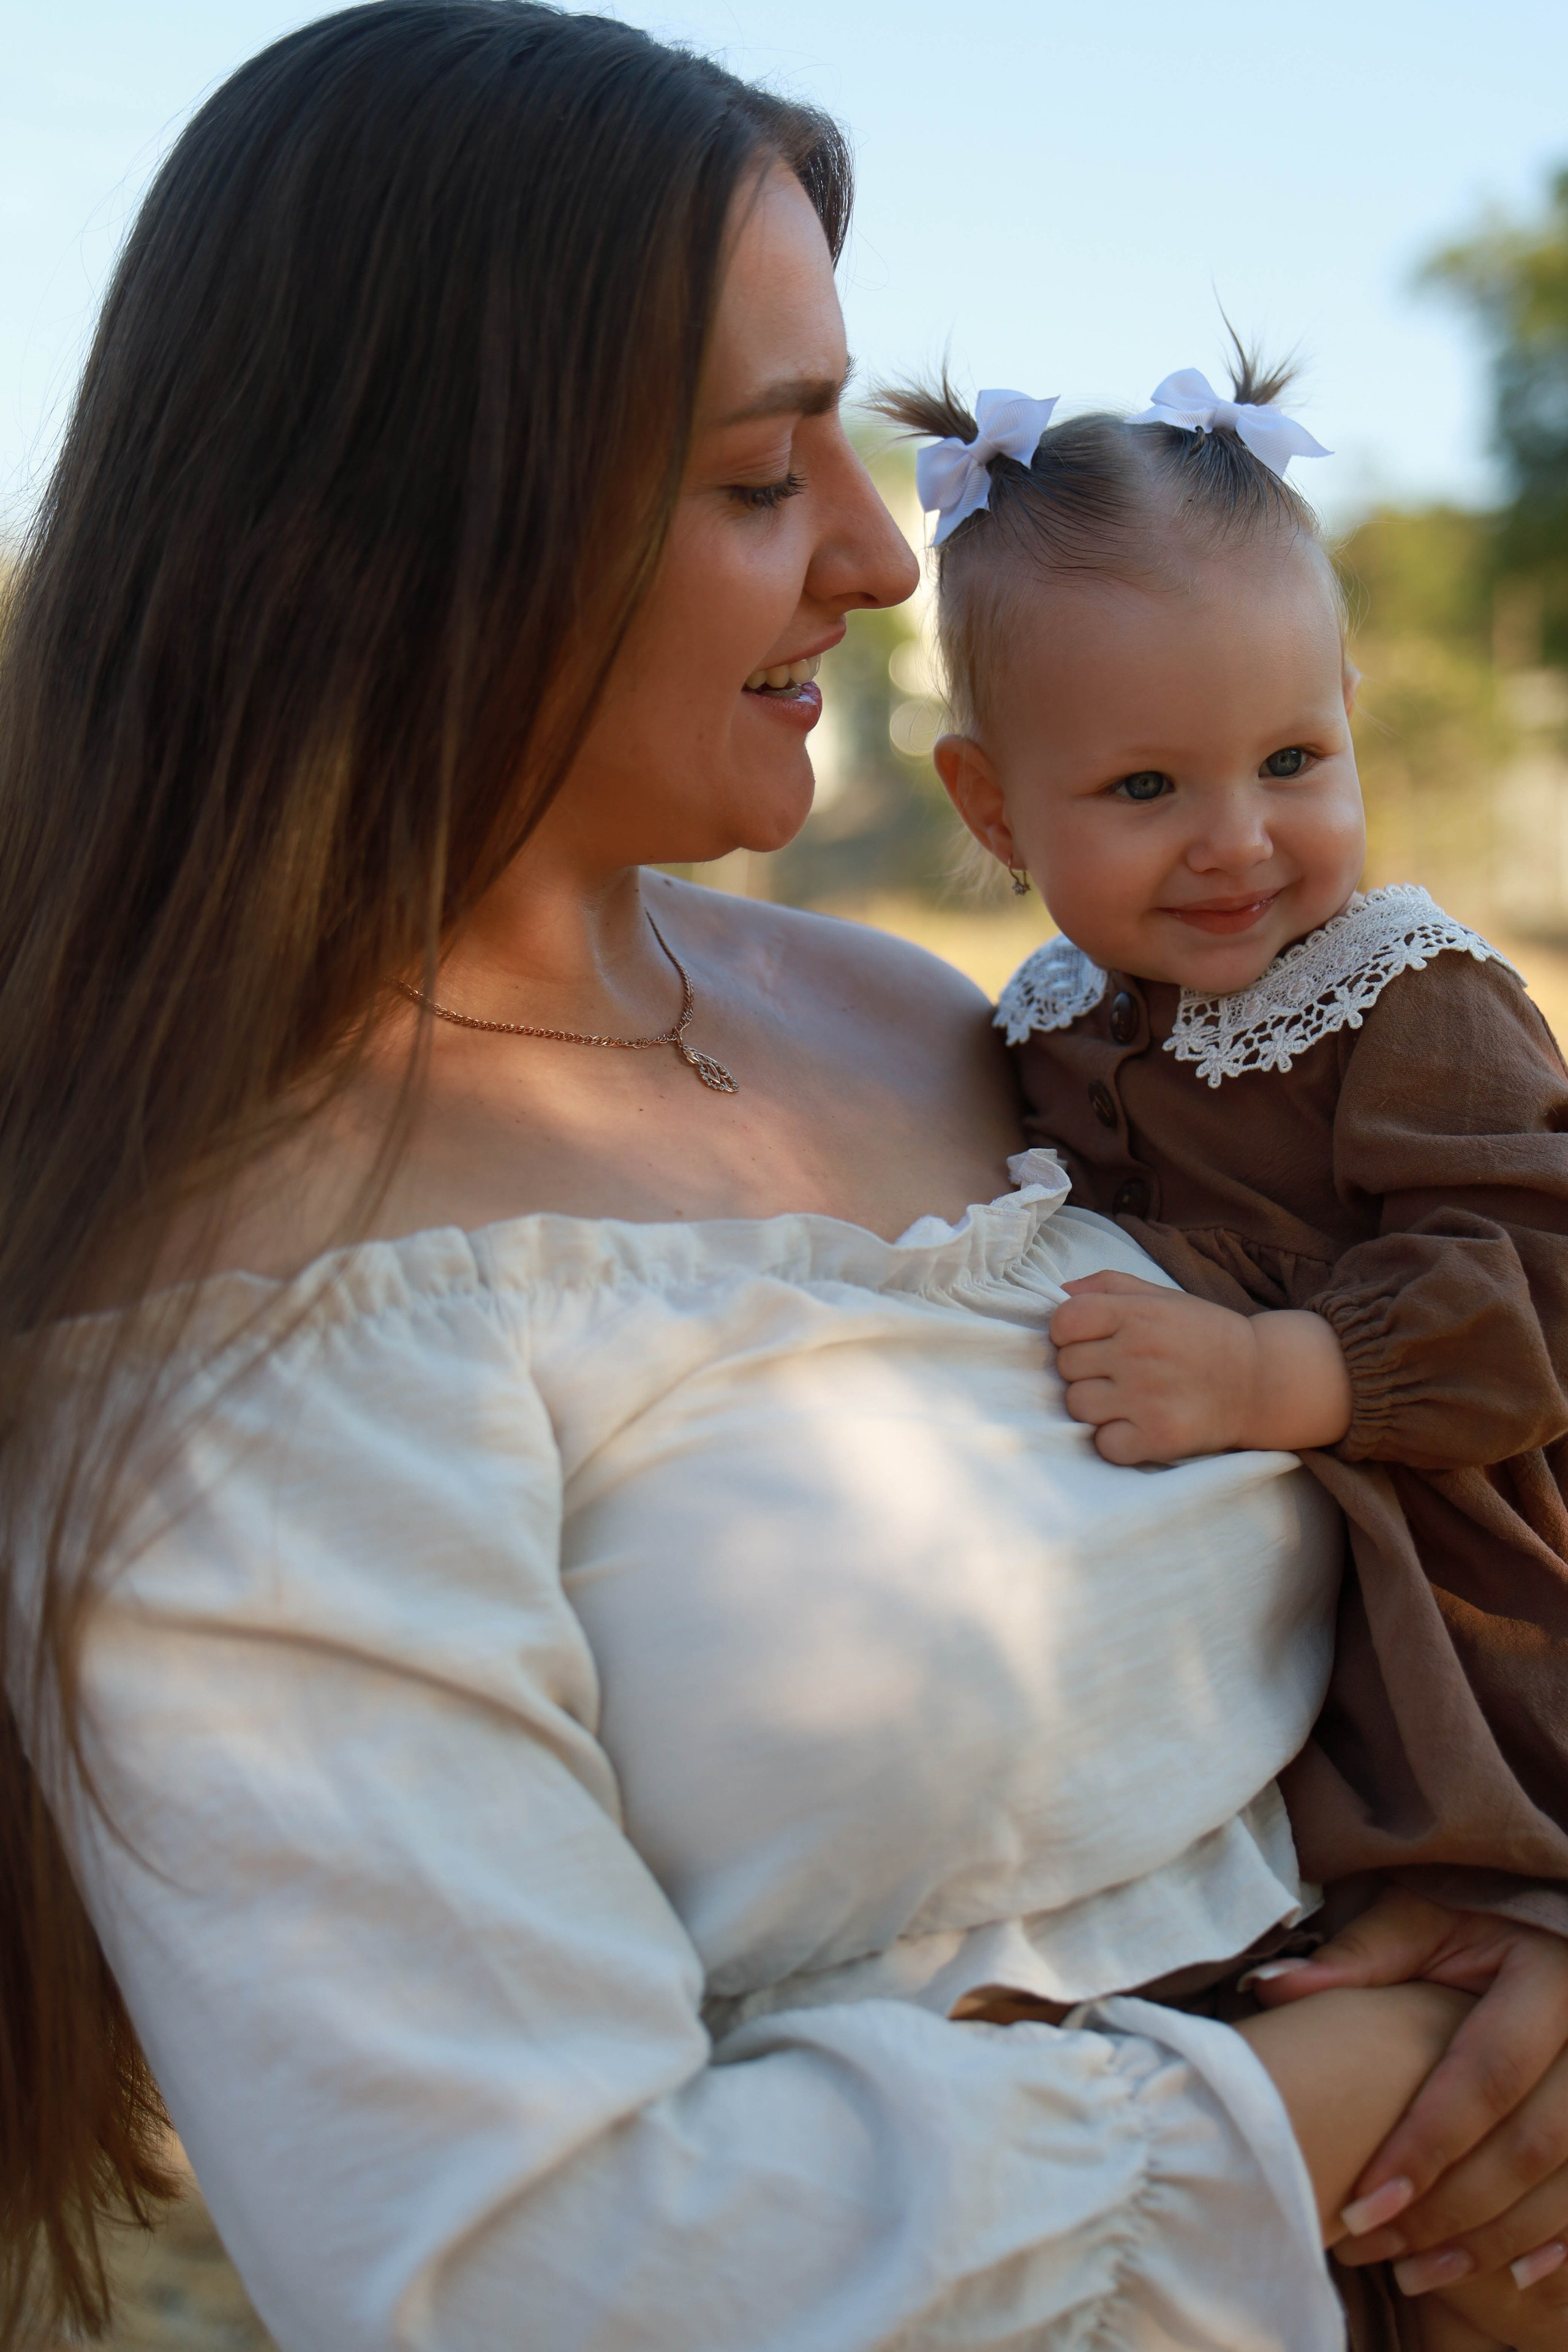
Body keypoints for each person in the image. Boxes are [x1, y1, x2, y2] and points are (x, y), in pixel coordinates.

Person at [1, 9, 1565, 2348]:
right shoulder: (235, 1322)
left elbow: (1469, 1445)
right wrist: (1369, 2076)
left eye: (841, 444)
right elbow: (529, 2285)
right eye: (760, 479)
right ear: (404, 520)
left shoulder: (980, 1034)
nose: (871, 550)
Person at [895, 353, 1568, 2340]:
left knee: (1475, 2120)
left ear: (1352, 723)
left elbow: (1538, 1283)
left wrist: (1294, 1377)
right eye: (1141, 789)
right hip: (1289, 1706)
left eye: (1291, 761)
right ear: (988, 805)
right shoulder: (1038, 1032)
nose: (1237, 842)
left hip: (1493, 1624)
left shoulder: (1406, 997)